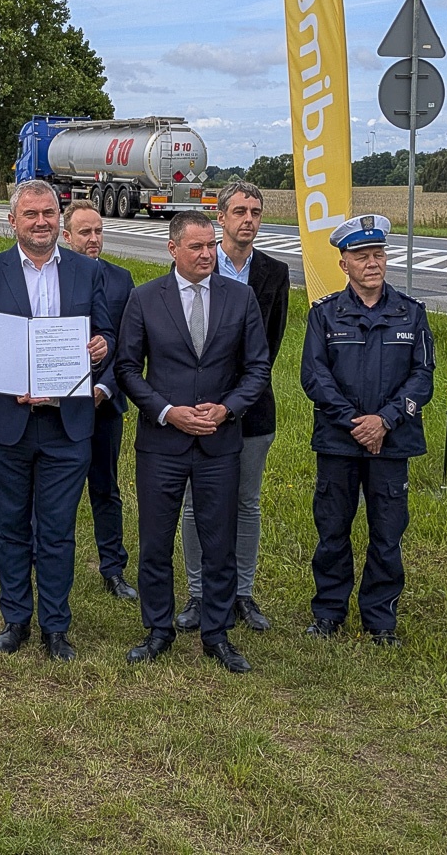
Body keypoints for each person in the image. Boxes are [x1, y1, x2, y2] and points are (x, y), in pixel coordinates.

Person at [0, 180, 114, 660]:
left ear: (59, 218)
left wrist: (102, 346)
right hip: (9, 420)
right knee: (10, 525)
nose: (41, 221)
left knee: (57, 529)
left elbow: (107, 332)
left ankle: (56, 626)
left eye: (48, 212)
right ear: (13, 221)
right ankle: (16, 620)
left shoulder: (88, 272)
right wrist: (11, 378)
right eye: (31, 214)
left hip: (68, 423)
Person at [114, 211, 272, 673]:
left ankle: (216, 634)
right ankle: (158, 630)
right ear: (173, 249)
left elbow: (257, 367)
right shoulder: (145, 298)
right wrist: (167, 411)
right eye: (197, 247)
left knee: (218, 542)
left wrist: (227, 409)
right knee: (155, 542)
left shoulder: (240, 298)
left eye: (211, 246)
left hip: (219, 442)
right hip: (162, 442)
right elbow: (127, 368)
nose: (207, 255)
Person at [299, 214, 435, 646]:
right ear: (344, 264)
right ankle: (328, 613)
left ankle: (380, 619)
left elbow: (423, 377)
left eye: (378, 254)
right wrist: (355, 423)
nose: (372, 263)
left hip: (392, 442)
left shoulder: (411, 314)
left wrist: (385, 420)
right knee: (332, 531)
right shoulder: (324, 315)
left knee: (388, 534)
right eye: (361, 256)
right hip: (339, 442)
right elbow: (315, 377)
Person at [176, 181, 289, 634]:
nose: (248, 220)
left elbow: (270, 346)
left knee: (246, 502)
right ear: (220, 217)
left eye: (255, 212)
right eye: (239, 211)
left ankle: (242, 592)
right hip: (197, 408)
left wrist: (236, 401)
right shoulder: (197, 263)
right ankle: (198, 593)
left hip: (251, 408)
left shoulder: (274, 273)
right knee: (195, 504)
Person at [60, 199, 138, 601]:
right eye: (84, 232)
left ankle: (113, 569)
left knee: (106, 488)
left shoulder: (121, 280)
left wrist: (104, 388)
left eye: (98, 231)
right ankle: (52, 565)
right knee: (57, 491)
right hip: (57, 404)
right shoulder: (54, 277)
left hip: (105, 402)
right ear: (66, 236)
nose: (93, 239)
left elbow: (129, 346)